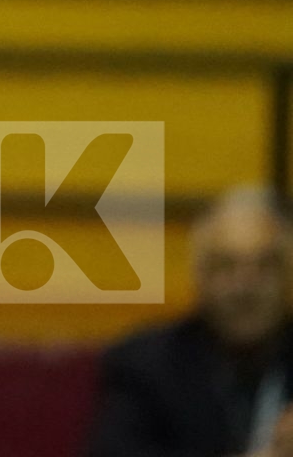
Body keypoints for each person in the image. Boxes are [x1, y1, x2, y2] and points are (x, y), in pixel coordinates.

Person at [87, 187, 293, 457]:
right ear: (199, 276)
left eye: (266, 265)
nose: (246, 286)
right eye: (225, 266)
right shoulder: (147, 365)